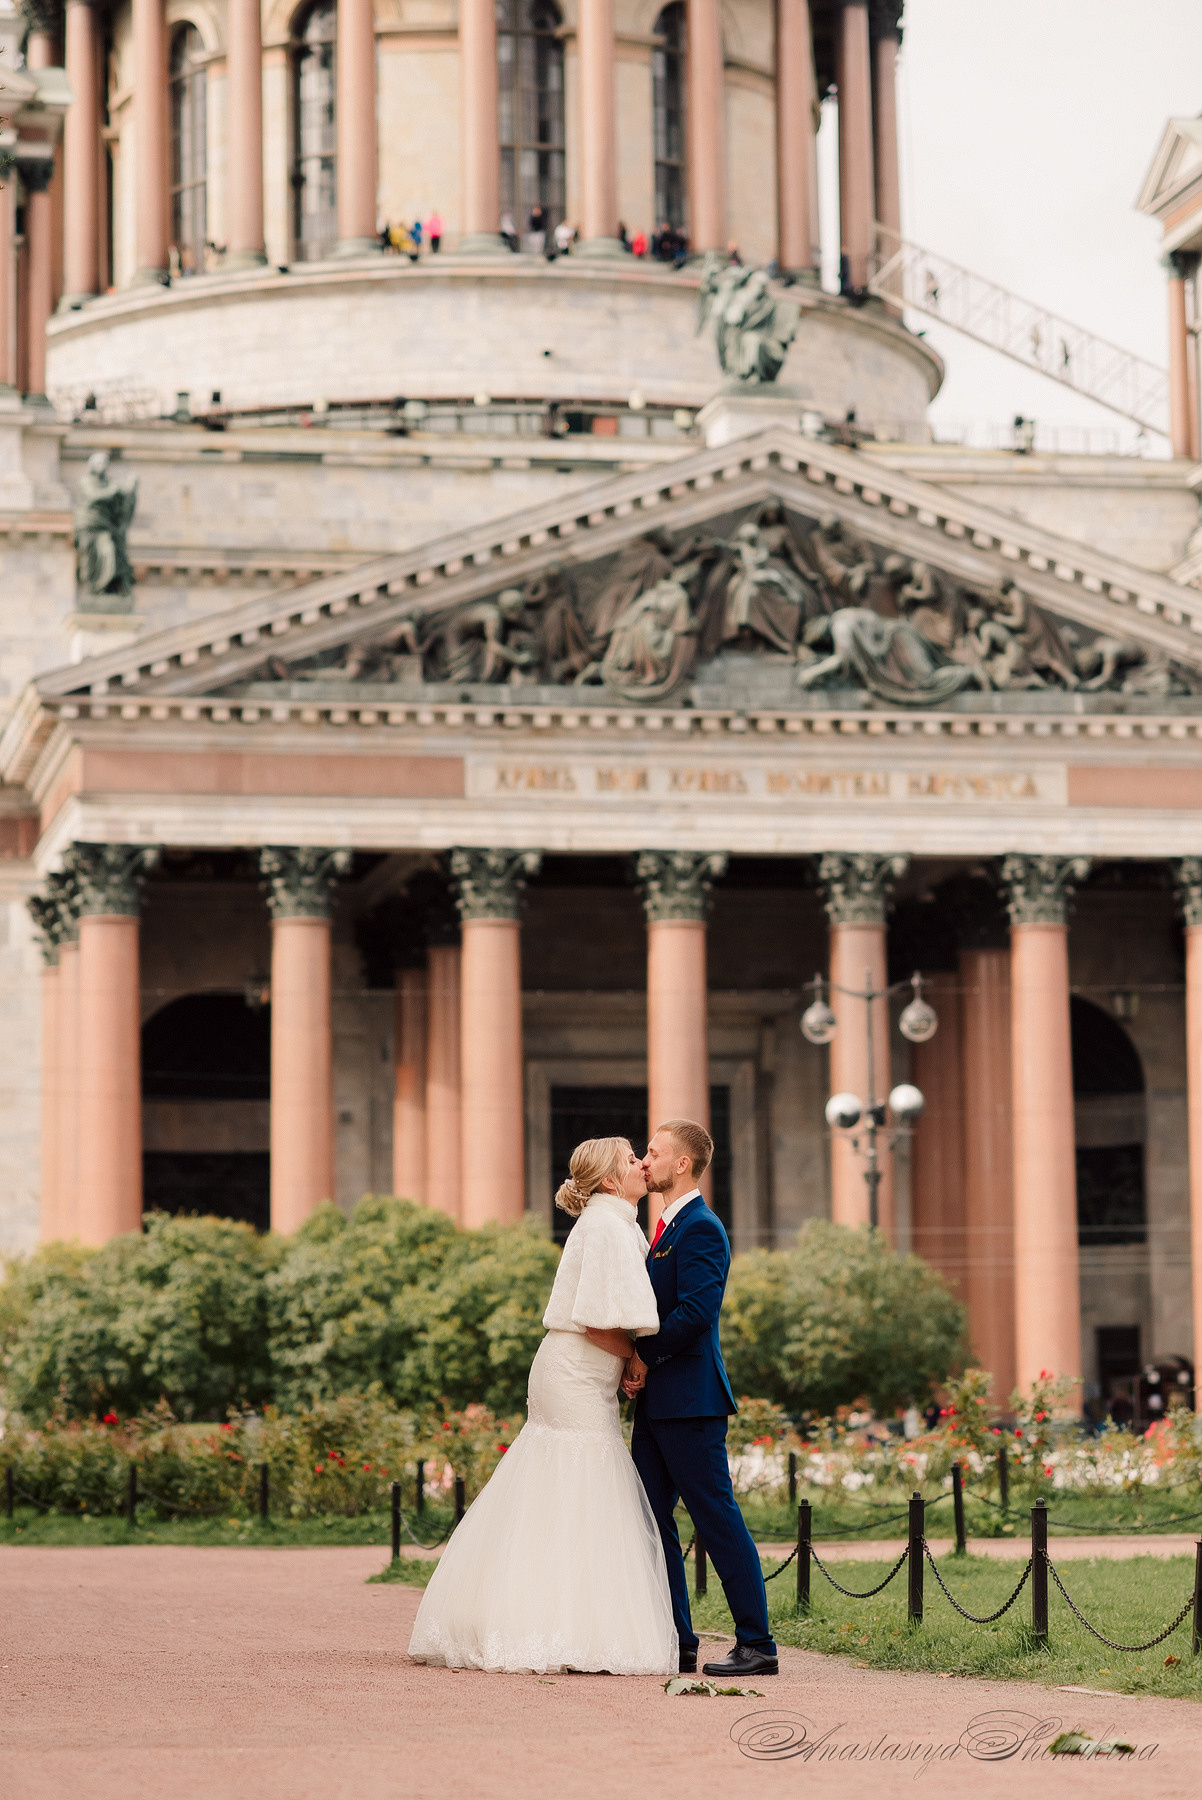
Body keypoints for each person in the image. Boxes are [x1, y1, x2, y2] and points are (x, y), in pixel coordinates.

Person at [408, 1138, 676, 1674]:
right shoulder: (605, 1226)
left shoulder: (613, 1221)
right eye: (630, 1160)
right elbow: (600, 1322)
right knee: (580, 1480)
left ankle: (552, 1614)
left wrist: (626, 1358)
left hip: (578, 1369)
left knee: (566, 1483)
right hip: (576, 1371)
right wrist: (637, 1360)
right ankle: (557, 1625)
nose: (641, 1165)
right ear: (607, 1180)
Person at [622, 1120, 779, 1680]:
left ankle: (756, 1644)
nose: (645, 1161)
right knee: (650, 1520)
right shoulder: (665, 1229)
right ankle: (678, 1641)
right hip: (657, 1404)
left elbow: (696, 1313)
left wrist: (643, 1356)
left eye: (654, 1153)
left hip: (692, 1402)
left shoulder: (701, 1228)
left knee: (716, 1521)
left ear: (681, 1164)